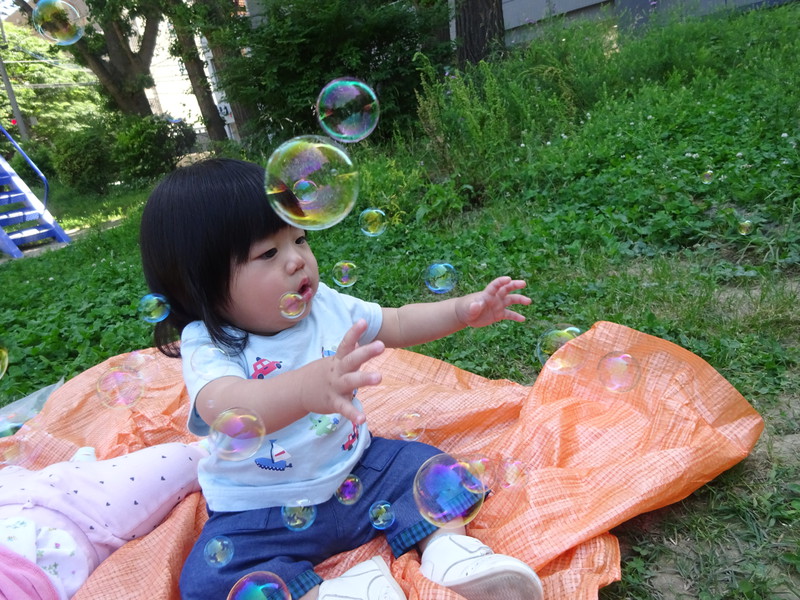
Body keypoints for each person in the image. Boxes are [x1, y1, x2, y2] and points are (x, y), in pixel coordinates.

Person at [139, 158, 544, 600]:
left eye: (299, 238)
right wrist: (303, 389)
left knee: (430, 468)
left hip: (359, 472)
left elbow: (396, 322)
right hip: (261, 513)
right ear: (201, 284)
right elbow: (227, 408)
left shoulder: (326, 305)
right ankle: (337, 593)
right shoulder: (210, 345)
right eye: (269, 253)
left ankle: (451, 554)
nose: (297, 260)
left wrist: (461, 312)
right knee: (208, 579)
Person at [0, 442, 206, 600]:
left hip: (10, 498)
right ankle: (79, 467)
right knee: (187, 458)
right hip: (85, 516)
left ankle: (78, 466)